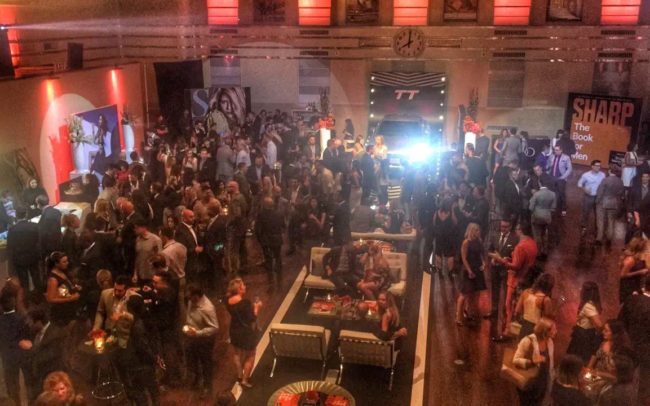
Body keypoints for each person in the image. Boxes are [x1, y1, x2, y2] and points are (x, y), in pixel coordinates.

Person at [489, 222, 538, 338]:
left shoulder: (520, 246)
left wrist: (501, 260)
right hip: (527, 278)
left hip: (515, 279)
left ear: (520, 230)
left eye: (517, 229)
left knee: (510, 306)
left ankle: (507, 332)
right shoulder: (532, 243)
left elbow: (515, 266)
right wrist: (510, 259)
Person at [115, 295, 160, 406]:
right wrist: (155, 358)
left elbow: (142, 346)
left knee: (139, 391)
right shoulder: (141, 321)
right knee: (152, 389)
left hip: (136, 362)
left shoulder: (135, 323)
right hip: (143, 362)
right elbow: (146, 345)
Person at [618, 276, 650, 404]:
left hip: (626, 348)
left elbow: (620, 323)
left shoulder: (631, 299)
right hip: (646, 353)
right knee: (642, 389)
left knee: (622, 383)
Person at [184, 284, 219, 398]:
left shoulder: (207, 308)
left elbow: (214, 327)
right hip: (192, 336)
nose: (188, 299)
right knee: (192, 360)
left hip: (204, 340)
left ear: (196, 296)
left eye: (190, 297)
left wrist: (198, 333)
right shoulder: (191, 301)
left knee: (205, 363)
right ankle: (196, 379)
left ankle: (207, 386)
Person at [512, 317, 556, 406]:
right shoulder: (528, 340)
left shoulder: (550, 342)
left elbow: (550, 363)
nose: (556, 331)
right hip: (529, 381)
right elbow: (515, 360)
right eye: (554, 329)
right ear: (545, 331)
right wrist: (532, 362)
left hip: (542, 381)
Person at [226, 278, 261, 388]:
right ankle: (245, 380)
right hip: (245, 332)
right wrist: (257, 308)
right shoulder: (245, 303)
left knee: (236, 353)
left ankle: (239, 375)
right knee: (251, 355)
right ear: (239, 290)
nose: (245, 286)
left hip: (234, 330)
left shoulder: (228, 300)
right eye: (243, 285)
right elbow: (252, 318)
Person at [0, 292, 31, 406]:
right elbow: (27, 335)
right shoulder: (21, 319)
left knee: (11, 384)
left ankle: (14, 403)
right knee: (27, 382)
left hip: (7, 356)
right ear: (14, 303)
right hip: (21, 354)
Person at [456, 223, 487, 326]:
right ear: (471, 231)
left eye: (478, 230)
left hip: (478, 269)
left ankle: (468, 312)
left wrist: (483, 263)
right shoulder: (466, 242)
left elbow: (481, 254)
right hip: (468, 270)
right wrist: (469, 270)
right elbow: (464, 258)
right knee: (464, 294)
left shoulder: (479, 241)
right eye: (476, 230)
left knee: (475, 294)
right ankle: (458, 317)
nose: (478, 232)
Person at [566, 281, 604, 363]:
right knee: (576, 358)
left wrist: (600, 333)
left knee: (577, 359)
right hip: (583, 334)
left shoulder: (588, 306)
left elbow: (599, 325)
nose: (580, 291)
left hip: (583, 336)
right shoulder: (589, 304)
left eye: (582, 289)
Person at [6, 206, 42, 292]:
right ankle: (39, 295)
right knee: (36, 277)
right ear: (26, 214)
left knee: (23, 279)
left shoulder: (12, 229)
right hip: (33, 256)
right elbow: (39, 241)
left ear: (16, 215)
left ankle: (26, 296)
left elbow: (10, 246)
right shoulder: (34, 226)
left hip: (19, 258)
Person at [45, 252, 81, 327]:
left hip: (69, 309)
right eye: (64, 262)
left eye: (67, 261)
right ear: (56, 264)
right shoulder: (53, 279)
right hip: (61, 314)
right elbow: (51, 299)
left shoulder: (63, 272)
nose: (67, 263)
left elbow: (63, 289)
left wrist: (74, 288)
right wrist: (70, 298)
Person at [514, 273, 554, 339]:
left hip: (524, 326)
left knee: (522, 344)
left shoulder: (526, 292)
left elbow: (517, 310)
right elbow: (547, 319)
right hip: (537, 329)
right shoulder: (546, 300)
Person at [596, 165, 625, 246]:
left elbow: (600, 192)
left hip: (602, 203)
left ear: (609, 171)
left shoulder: (605, 180)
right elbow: (622, 194)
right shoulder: (620, 181)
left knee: (600, 221)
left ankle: (599, 238)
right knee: (611, 221)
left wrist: (597, 201)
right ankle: (609, 239)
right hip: (614, 203)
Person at [528, 180, 556, 258]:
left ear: (540, 184)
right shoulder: (553, 194)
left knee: (537, 235)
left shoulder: (536, 194)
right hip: (547, 217)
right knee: (545, 235)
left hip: (537, 216)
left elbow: (530, 208)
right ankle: (545, 251)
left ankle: (538, 252)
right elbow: (553, 208)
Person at [577, 160, 605, 233]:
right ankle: (584, 227)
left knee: (598, 214)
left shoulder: (602, 175)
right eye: (597, 166)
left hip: (598, 198)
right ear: (592, 166)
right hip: (588, 197)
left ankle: (597, 229)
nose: (598, 167)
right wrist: (585, 189)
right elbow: (579, 184)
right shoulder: (586, 175)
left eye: (599, 166)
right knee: (585, 212)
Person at [618, 236, 648, 303]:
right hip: (629, 286)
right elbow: (622, 275)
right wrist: (639, 272)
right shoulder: (630, 259)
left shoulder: (637, 257)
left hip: (635, 283)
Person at [546, 145, 572, 216]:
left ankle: (563, 208)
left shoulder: (566, 157)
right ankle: (552, 207)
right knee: (551, 193)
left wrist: (563, 177)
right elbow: (548, 165)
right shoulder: (551, 156)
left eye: (557, 150)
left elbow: (569, 169)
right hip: (552, 178)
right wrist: (547, 172)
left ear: (561, 150)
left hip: (561, 179)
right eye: (555, 150)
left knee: (561, 194)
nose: (555, 151)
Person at [433, 201, 458, 275]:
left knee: (438, 253)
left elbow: (434, 222)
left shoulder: (437, 212)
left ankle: (440, 272)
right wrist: (452, 210)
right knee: (450, 255)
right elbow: (455, 222)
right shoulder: (450, 213)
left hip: (439, 235)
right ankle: (450, 273)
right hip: (449, 235)